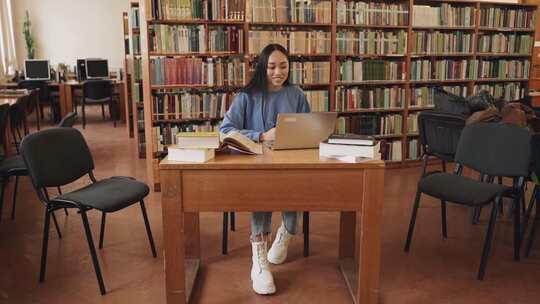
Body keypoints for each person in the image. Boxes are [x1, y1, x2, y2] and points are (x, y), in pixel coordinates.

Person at [220, 43, 311, 295]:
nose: (278, 72)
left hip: (292, 161)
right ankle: (258, 257)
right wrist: (260, 135)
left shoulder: (296, 94)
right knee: (263, 189)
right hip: (256, 165)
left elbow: (309, 127)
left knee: (303, 183)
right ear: (262, 67)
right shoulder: (246, 96)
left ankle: (286, 231)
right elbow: (225, 130)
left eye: (283, 66)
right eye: (271, 66)